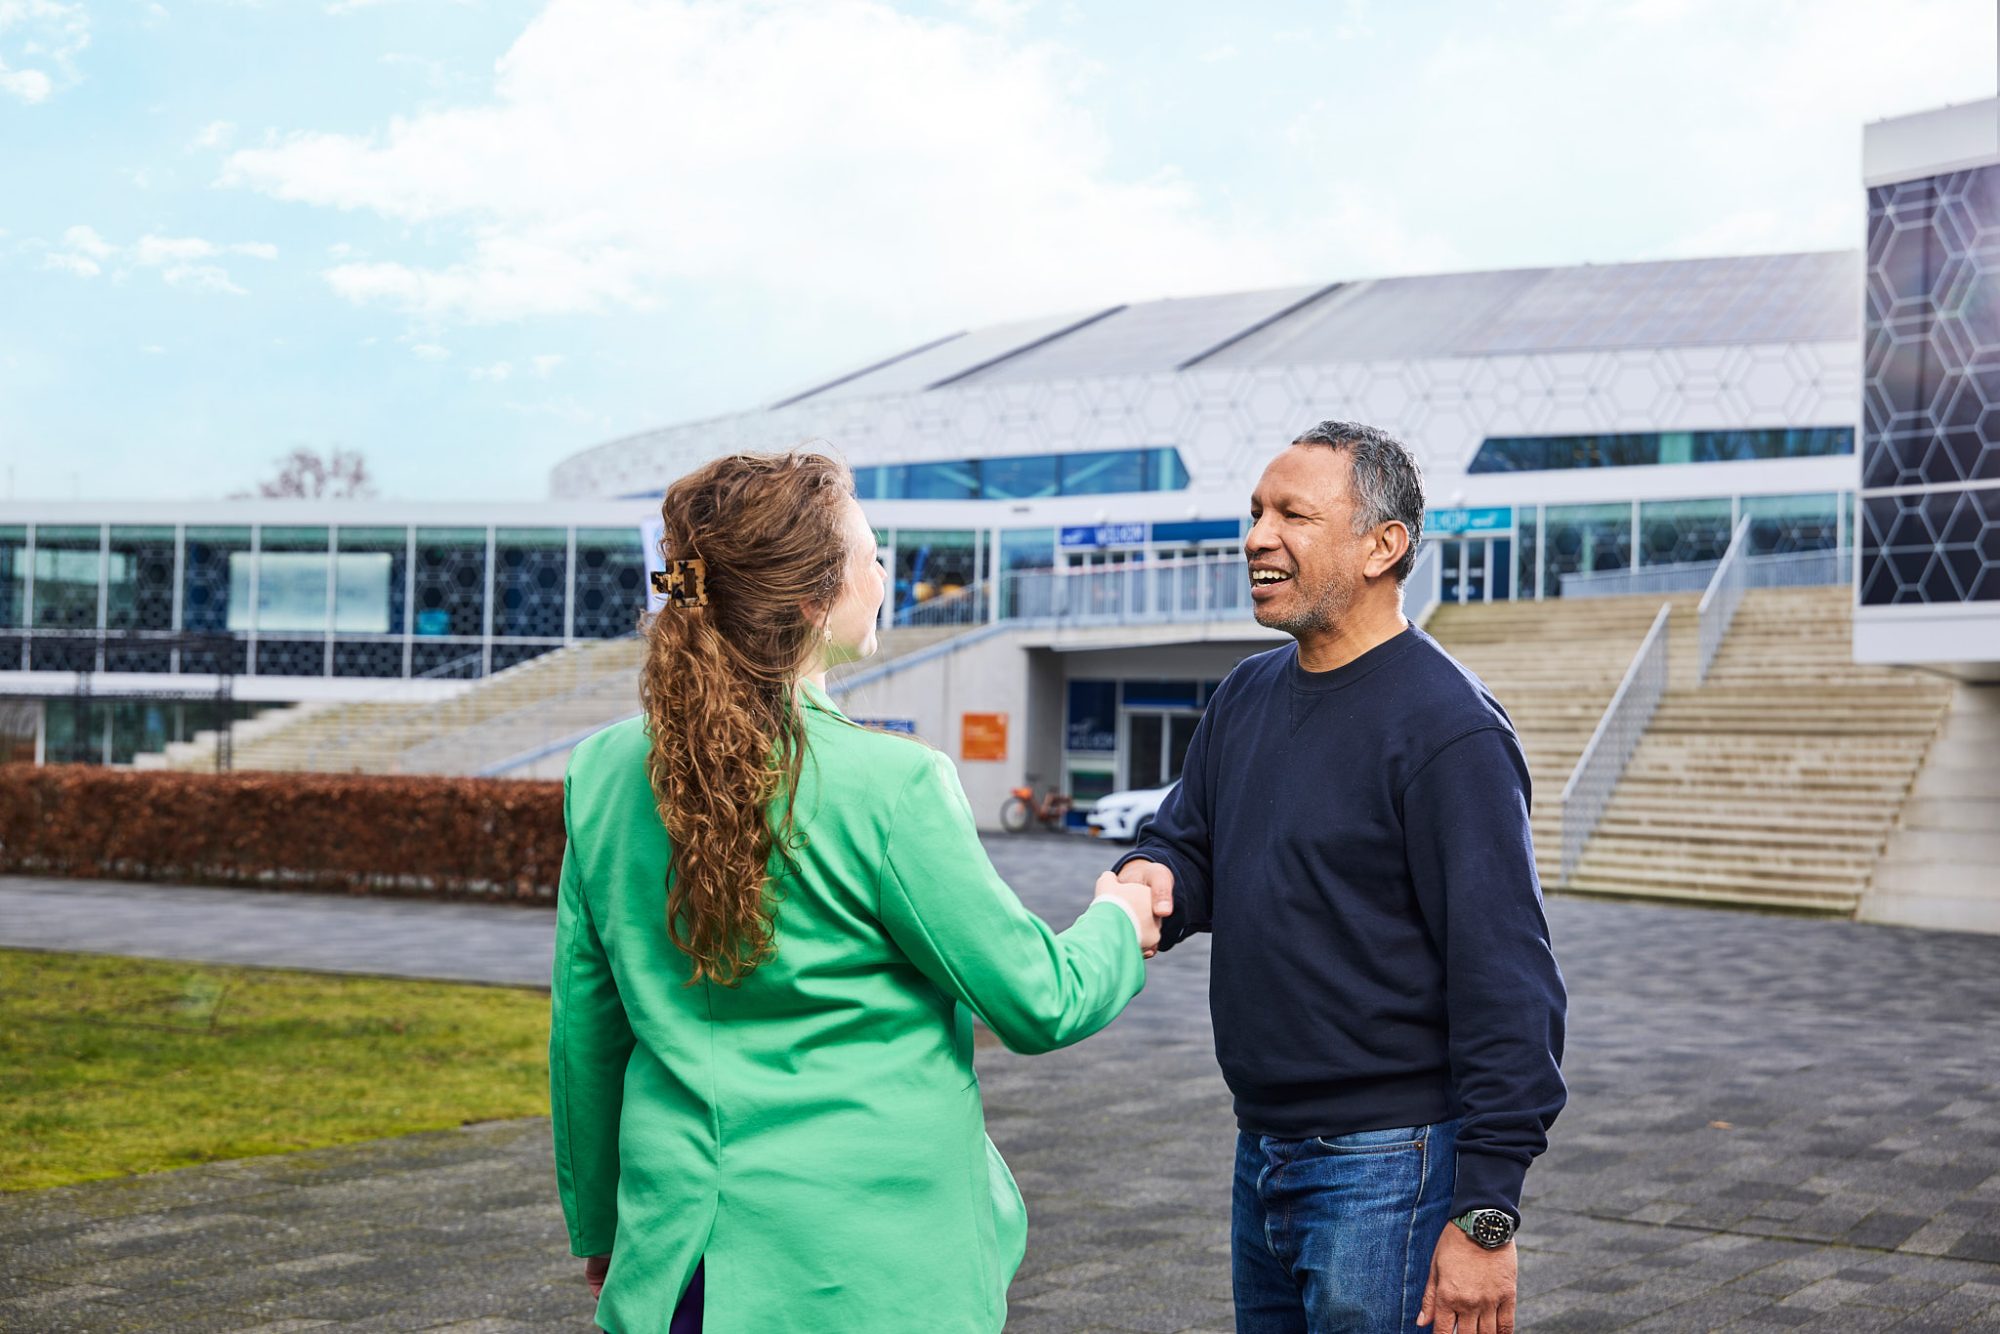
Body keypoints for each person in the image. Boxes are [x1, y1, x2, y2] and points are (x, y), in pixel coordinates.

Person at [550, 450, 1161, 1333]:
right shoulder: (894, 785)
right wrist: (1121, 915)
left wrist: (604, 1225)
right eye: (872, 555)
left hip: (681, 1254)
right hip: (870, 1271)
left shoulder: (600, 771)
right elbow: (1038, 1000)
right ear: (811, 598)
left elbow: (587, 1029)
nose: (884, 577)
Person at [1113, 421, 1568, 1334]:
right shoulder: (1245, 693)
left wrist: (1484, 1220)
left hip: (1387, 1168)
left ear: (1382, 546)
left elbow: (1509, 984)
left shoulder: (1451, 731)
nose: (1255, 537)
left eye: (1293, 514)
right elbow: (1191, 844)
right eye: (1253, 512)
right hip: (1263, 1150)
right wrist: (1145, 875)